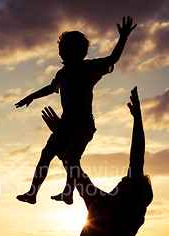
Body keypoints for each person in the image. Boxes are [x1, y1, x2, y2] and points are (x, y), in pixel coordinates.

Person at [42, 87, 152, 236]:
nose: (123, 180)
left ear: (139, 196)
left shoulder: (131, 212)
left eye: (129, 182)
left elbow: (137, 161)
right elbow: (75, 169)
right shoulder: (98, 202)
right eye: (125, 180)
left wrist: (138, 120)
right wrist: (62, 133)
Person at [15, 17, 137, 205]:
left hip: (82, 123)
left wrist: (123, 38)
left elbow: (113, 59)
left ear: (81, 51)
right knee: (46, 154)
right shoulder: (62, 73)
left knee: (72, 156)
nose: (63, 51)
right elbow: (50, 87)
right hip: (64, 123)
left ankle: (68, 192)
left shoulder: (88, 67)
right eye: (61, 47)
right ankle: (32, 193)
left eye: (68, 47)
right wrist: (31, 96)